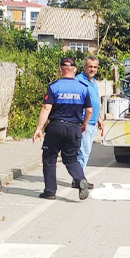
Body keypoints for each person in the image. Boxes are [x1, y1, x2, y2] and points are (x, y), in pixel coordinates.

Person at [32, 57, 92, 201]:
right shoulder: (83, 88)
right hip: (74, 128)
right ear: (75, 70)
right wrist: (84, 124)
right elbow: (89, 110)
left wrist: (39, 128)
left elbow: (47, 107)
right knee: (71, 159)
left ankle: (50, 191)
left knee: (49, 158)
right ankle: (80, 178)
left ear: (60, 69)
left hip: (56, 127)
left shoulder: (54, 86)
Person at [75, 56, 104, 188]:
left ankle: (79, 178)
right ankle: (79, 180)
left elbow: (95, 101)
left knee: (85, 152)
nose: (92, 69)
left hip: (92, 122)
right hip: (84, 123)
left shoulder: (93, 82)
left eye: (95, 67)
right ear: (84, 67)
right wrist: (82, 122)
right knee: (83, 152)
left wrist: (99, 118)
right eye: (90, 66)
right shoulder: (78, 81)